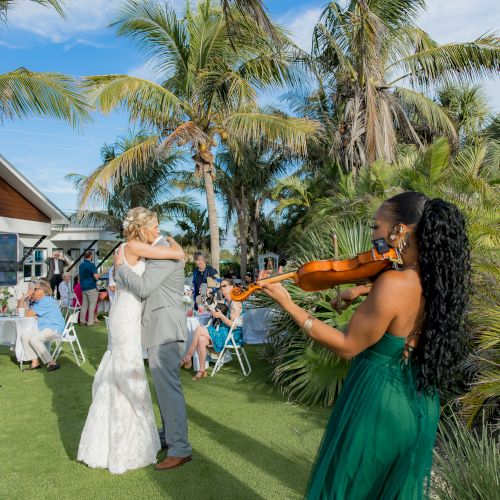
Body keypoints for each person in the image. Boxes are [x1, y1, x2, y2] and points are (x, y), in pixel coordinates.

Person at [258, 192, 470, 499]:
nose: (373, 237)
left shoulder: (393, 284)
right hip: (419, 401)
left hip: (379, 403)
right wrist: (361, 290)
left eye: (376, 227)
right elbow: (404, 308)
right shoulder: (438, 283)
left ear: (400, 232)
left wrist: (288, 304)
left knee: (348, 488)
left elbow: (347, 345)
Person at [78, 207, 189, 474]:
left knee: (167, 388)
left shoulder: (161, 252)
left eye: (159, 227)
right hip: (150, 325)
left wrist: (118, 269)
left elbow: (143, 287)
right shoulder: (153, 247)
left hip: (165, 328)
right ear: (143, 228)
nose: (158, 231)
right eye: (155, 226)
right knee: (162, 387)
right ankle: (168, 435)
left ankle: (180, 449)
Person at [182, 278, 243, 380]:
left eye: (225, 286)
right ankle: (202, 370)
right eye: (221, 286)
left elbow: (234, 325)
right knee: (201, 339)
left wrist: (220, 316)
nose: (222, 288)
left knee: (199, 329)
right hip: (223, 332)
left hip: (231, 335)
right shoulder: (228, 302)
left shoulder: (234, 303)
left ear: (232, 287)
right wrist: (215, 314)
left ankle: (187, 357)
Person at [19, 279, 66, 371]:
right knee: (25, 336)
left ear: (42, 291)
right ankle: (35, 363)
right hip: (44, 328)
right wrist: (24, 298)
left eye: (36, 289)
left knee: (34, 339)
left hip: (54, 328)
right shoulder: (38, 301)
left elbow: (28, 314)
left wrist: (27, 296)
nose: (33, 291)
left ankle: (52, 362)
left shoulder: (46, 300)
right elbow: (26, 313)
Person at [79, 250, 100, 326]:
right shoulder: (92, 265)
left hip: (83, 287)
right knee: (92, 305)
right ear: (91, 256)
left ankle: (82, 321)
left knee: (84, 305)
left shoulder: (81, 265)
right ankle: (90, 322)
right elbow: (96, 277)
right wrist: (102, 273)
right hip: (91, 287)